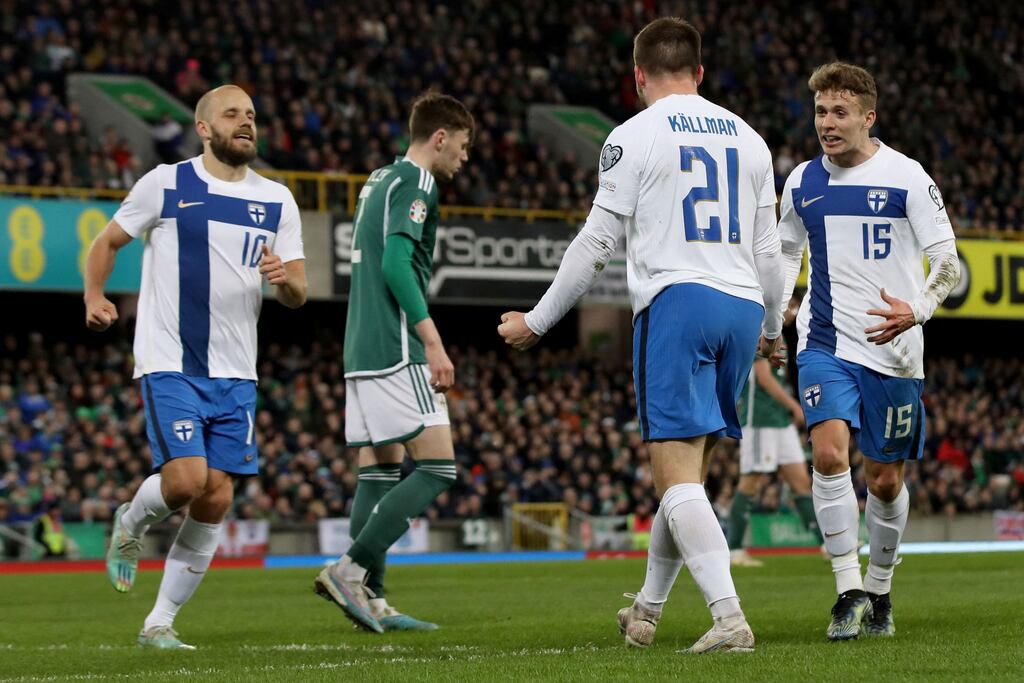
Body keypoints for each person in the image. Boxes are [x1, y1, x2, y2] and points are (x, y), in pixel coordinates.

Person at [498, 17, 784, 654]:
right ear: (700, 73)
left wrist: (538, 320)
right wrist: (771, 325)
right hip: (741, 307)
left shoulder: (630, 136)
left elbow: (597, 242)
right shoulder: (752, 140)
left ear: (637, 77)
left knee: (675, 479)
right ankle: (648, 612)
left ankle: (730, 617)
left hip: (678, 301)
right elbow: (770, 250)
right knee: (688, 481)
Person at [84, 84, 307, 650]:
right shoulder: (166, 183)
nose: (246, 123)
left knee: (217, 496)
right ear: (204, 129)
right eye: (232, 114)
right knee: (185, 482)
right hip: (171, 360)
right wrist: (94, 296)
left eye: (252, 115)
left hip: (237, 371)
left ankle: (158, 623)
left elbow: (299, 290)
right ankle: (130, 524)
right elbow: (107, 242)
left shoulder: (278, 198)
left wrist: (288, 282)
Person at [777, 62, 960, 640]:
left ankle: (879, 589)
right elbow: (784, 253)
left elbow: (947, 260)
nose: (827, 124)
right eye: (820, 113)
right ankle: (847, 590)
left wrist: (917, 309)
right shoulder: (803, 181)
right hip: (825, 339)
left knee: (883, 480)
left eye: (839, 113)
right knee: (829, 455)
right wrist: (777, 311)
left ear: (867, 116)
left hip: (895, 349)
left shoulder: (907, 176)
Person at [313, 93, 473, 634]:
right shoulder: (417, 182)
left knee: (378, 473)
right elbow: (396, 265)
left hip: (360, 347)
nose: (464, 159)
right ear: (440, 138)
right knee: (438, 467)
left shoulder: (378, 178)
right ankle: (350, 571)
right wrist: (431, 340)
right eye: (464, 146)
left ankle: (373, 601)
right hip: (395, 345)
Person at [728, 298, 821, 567]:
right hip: (760, 420)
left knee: (800, 481)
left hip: (779, 421)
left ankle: (826, 545)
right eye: (792, 306)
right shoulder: (762, 333)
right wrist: (795, 405)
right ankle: (734, 549)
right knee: (751, 480)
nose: (794, 312)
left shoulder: (783, 338)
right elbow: (764, 378)